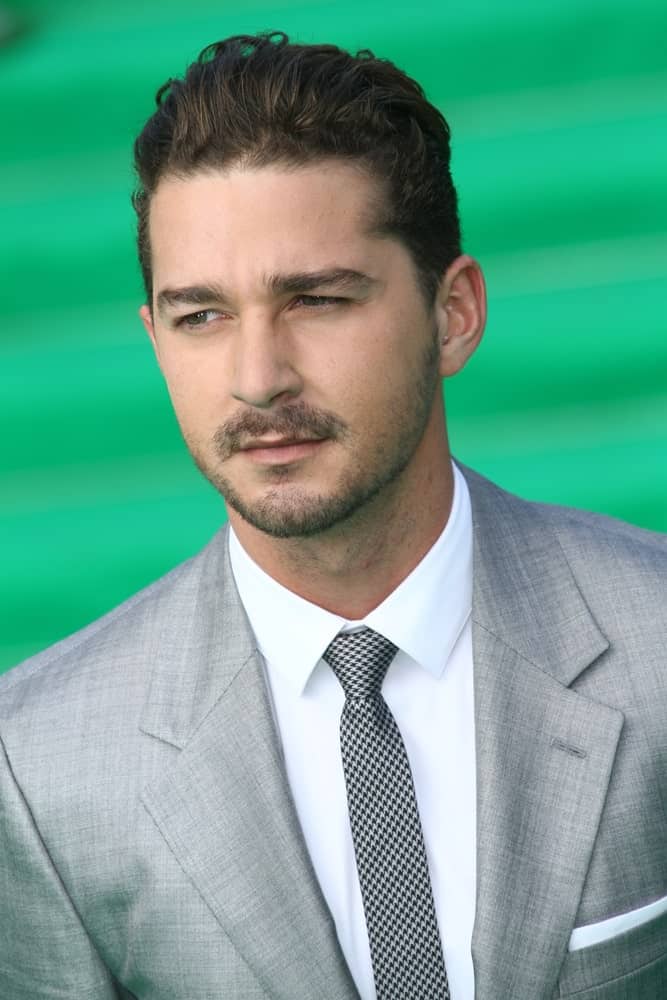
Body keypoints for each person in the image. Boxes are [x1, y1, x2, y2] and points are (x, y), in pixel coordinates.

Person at [0, 31, 664, 1000]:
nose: (258, 377)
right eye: (201, 315)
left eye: (315, 298)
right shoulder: (38, 763)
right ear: (154, 337)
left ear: (453, 313)